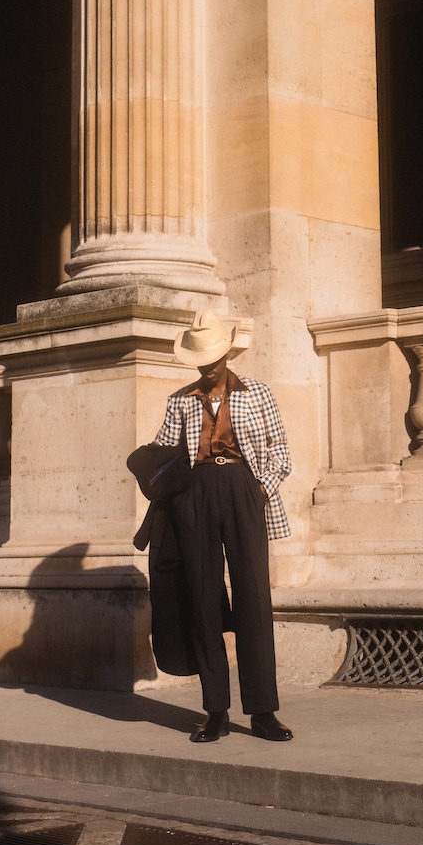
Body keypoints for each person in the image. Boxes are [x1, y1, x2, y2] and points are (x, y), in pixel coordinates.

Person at [153, 309, 293, 743]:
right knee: (202, 598)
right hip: (195, 495)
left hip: (243, 489)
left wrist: (260, 490)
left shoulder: (258, 393)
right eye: (202, 360)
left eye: (214, 358)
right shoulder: (180, 400)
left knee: (253, 595)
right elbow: (161, 454)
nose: (209, 366)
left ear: (228, 354)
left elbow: (280, 451)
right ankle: (215, 710)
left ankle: (263, 712)